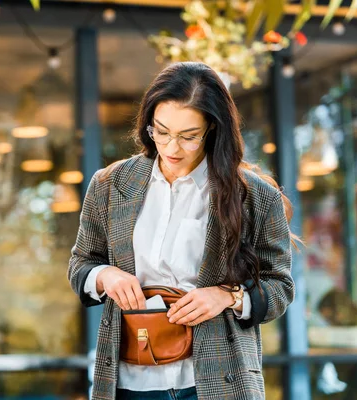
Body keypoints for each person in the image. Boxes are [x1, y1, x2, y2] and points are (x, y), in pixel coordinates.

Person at [68, 62, 297, 400]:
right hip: (128, 381)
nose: (172, 148)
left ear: (213, 130)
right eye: (160, 131)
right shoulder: (110, 185)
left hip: (216, 380)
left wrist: (226, 297)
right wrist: (106, 277)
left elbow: (280, 287)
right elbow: (81, 264)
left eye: (188, 137)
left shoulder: (255, 196)